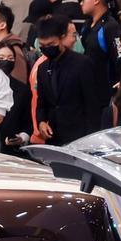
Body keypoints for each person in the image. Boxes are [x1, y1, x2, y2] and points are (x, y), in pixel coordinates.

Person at [35, 14, 98, 144]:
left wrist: (92, 139)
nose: (47, 48)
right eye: (42, 45)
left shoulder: (82, 63)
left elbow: (92, 104)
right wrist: (41, 121)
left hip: (80, 136)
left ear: (62, 38)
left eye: (51, 44)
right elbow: (41, 102)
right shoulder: (42, 68)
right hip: (53, 136)